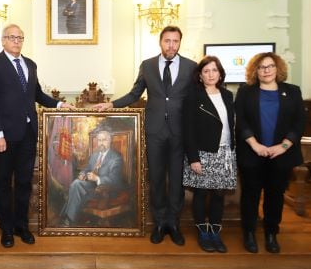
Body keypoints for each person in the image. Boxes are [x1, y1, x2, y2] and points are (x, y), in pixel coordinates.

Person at [94, 25, 197, 246]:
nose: (171, 45)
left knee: (177, 181)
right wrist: (111, 104)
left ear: (180, 42)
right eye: (167, 41)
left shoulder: (191, 67)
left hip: (181, 132)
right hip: (155, 131)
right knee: (157, 179)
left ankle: (174, 224)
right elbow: (134, 93)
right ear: (160, 42)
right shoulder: (148, 65)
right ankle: (160, 223)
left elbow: (197, 98)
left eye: (175, 41)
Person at [0, 24, 74, 248]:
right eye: (11, 37)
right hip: (4, 136)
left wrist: (59, 104)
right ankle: (7, 230)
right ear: (3, 40)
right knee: (4, 184)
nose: (16, 41)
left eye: (20, 38)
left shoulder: (30, 64)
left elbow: (37, 94)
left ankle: (22, 226)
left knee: (24, 183)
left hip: (28, 135)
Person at [235, 52, 306, 254]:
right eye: (261, 67)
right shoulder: (245, 92)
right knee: (250, 195)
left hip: (281, 155)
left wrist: (283, 146)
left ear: (278, 69)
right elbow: (240, 121)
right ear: (255, 71)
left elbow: (299, 122)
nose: (266, 70)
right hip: (252, 153)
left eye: (270, 66)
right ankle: (249, 233)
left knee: (275, 196)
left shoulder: (292, 91)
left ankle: (271, 233)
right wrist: (255, 144)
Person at [182, 56, 236, 253]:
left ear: (220, 73)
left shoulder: (228, 95)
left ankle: (215, 231)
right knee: (201, 193)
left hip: (224, 152)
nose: (211, 74)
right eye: (206, 71)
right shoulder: (193, 96)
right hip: (203, 153)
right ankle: (203, 233)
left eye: (214, 70)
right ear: (200, 75)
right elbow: (187, 129)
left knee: (219, 194)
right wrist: (193, 158)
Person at [60, 129, 126, 226]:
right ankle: (69, 219)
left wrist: (97, 179)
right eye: (99, 140)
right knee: (77, 183)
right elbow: (87, 168)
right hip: (92, 188)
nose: (101, 143)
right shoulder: (94, 155)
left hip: (107, 191)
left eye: (104, 140)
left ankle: (68, 219)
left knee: (76, 188)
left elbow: (115, 180)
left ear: (110, 141)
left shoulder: (116, 158)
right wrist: (82, 174)